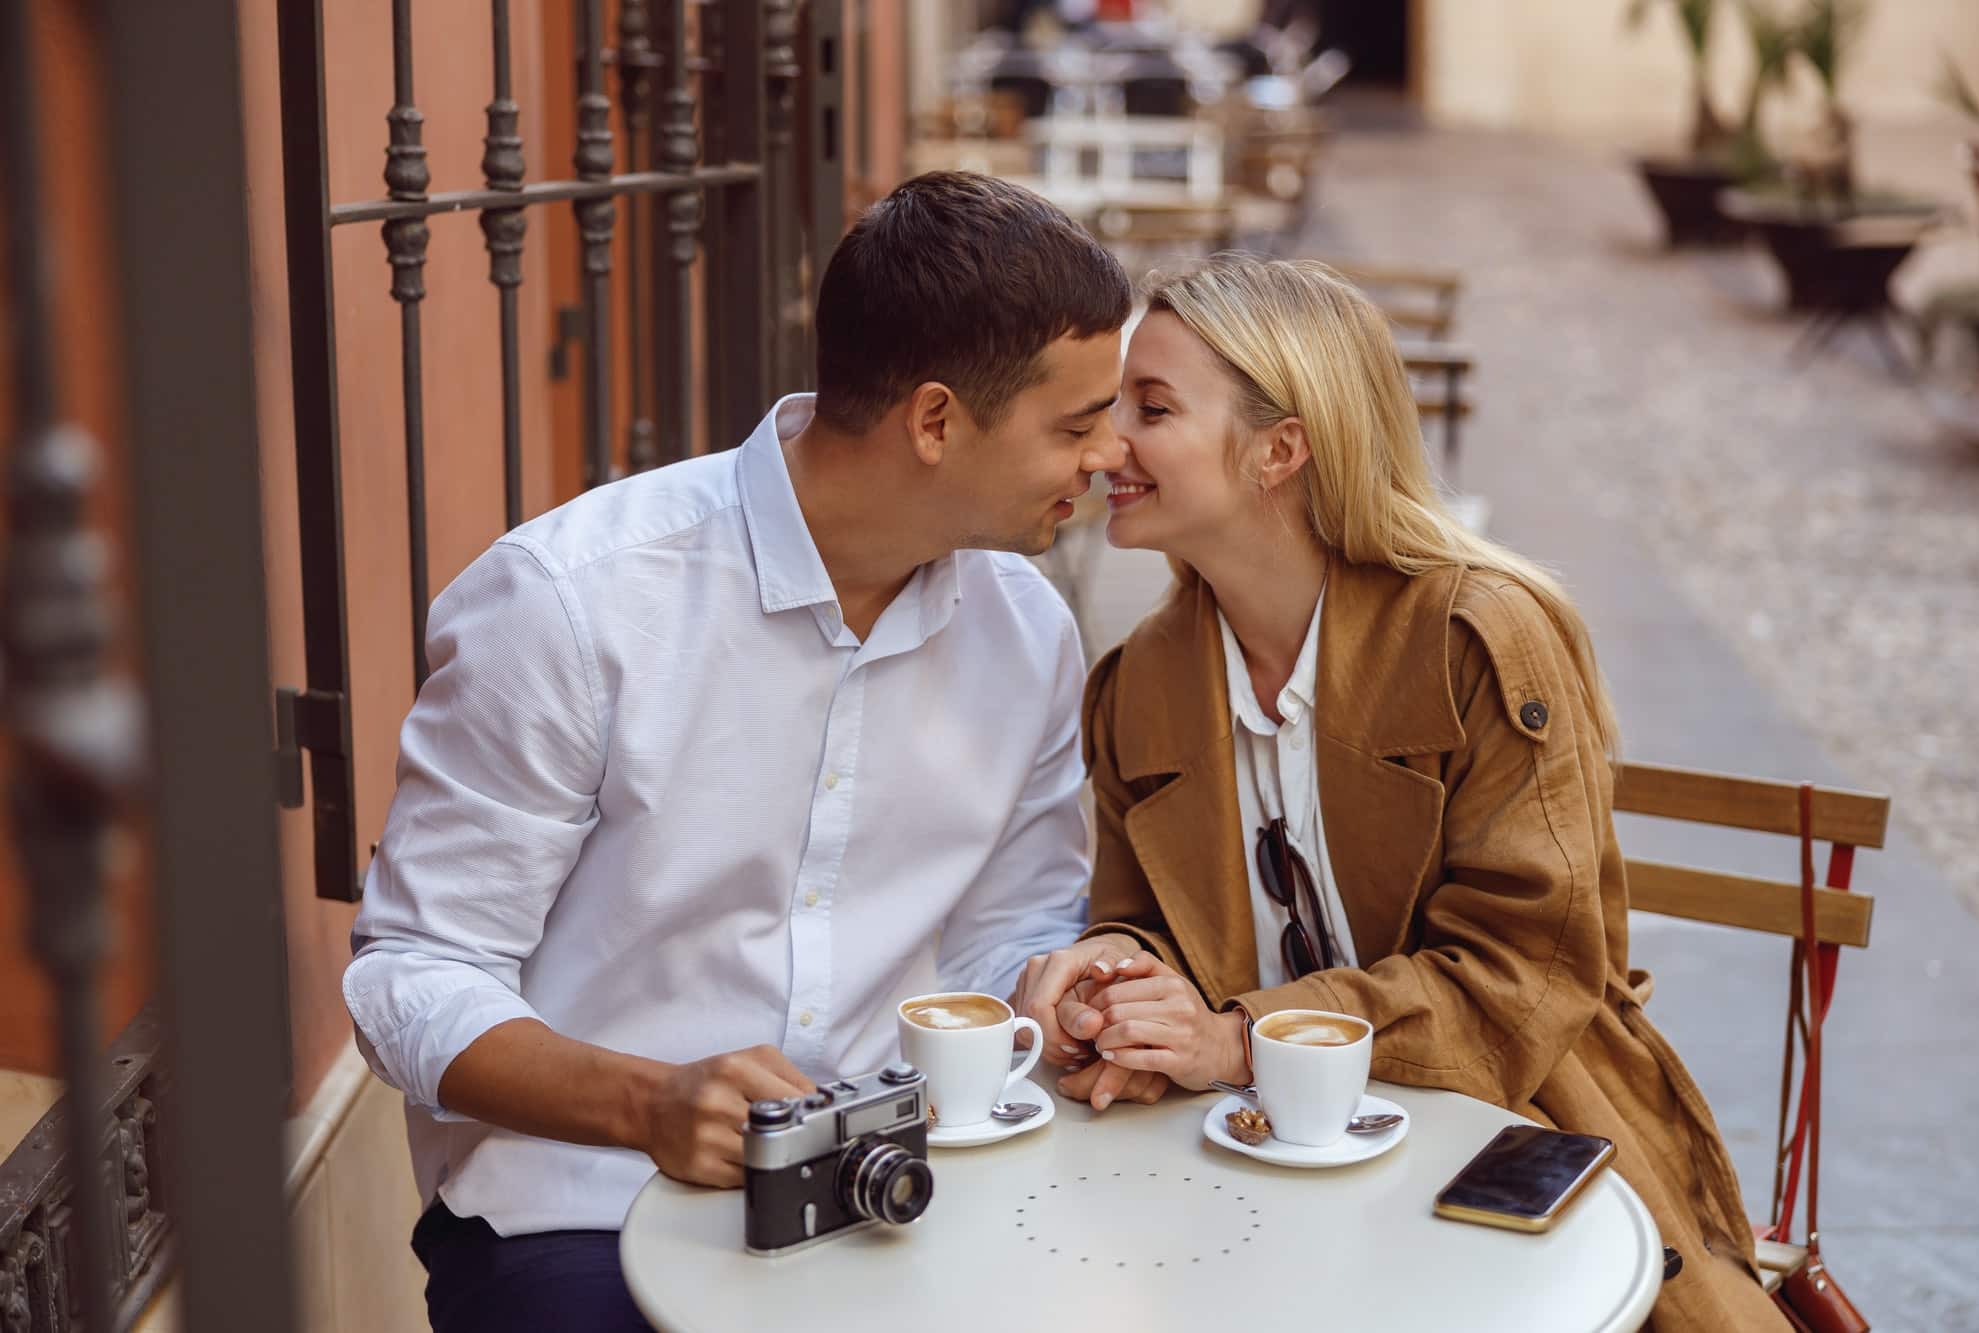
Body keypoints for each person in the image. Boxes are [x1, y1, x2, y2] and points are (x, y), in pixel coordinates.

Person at [344, 172, 1131, 1333]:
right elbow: (411, 971)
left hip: (895, 1192)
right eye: (1074, 425)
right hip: (584, 1208)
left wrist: (1064, 990)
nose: (1109, 456)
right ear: (932, 421)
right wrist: (647, 1101)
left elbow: (1007, 928)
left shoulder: (1027, 632)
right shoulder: (569, 603)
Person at [1013, 254, 1787, 1331]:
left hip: (1514, 1145)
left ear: (1278, 449)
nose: (1105, 449)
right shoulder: (1137, 682)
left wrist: (1241, 1037)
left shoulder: (1476, 636)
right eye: (1108, 412)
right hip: (1243, 1179)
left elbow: (1526, 973)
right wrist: (1114, 983)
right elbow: (1142, 921)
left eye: (1149, 409)